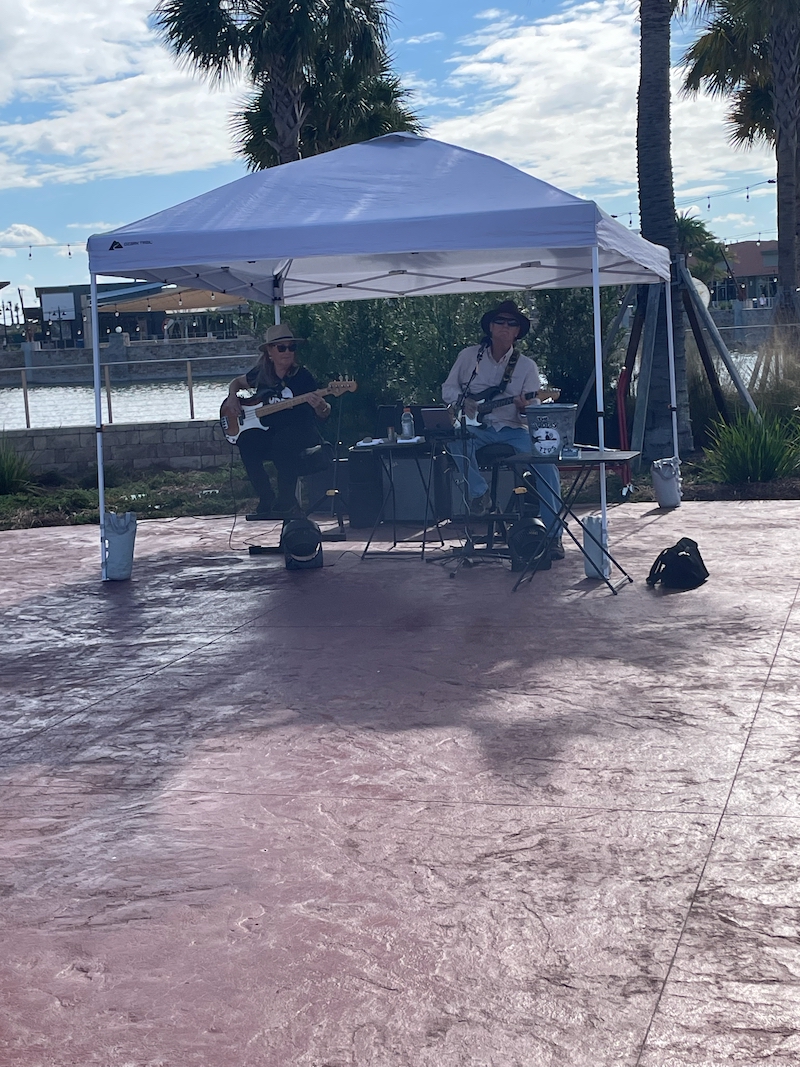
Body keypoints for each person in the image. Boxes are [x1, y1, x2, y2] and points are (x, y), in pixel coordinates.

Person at [441, 300, 564, 557]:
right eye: (500, 321)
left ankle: (553, 537)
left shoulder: (527, 366)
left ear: (518, 331)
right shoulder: (469, 356)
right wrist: (464, 402)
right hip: (476, 429)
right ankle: (480, 494)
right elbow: (447, 389)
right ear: (490, 327)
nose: (505, 326)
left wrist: (523, 408)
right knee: (454, 440)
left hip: (513, 429)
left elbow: (532, 411)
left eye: (512, 323)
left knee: (546, 462)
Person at [222, 324, 331, 517]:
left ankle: (286, 501)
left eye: (291, 347)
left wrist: (320, 406)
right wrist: (232, 397)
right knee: (246, 443)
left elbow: (324, 413)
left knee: (284, 442)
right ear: (270, 351)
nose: (287, 352)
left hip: (300, 432)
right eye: (282, 348)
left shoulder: (303, 377)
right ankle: (266, 498)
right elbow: (237, 382)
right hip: (268, 430)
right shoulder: (262, 373)